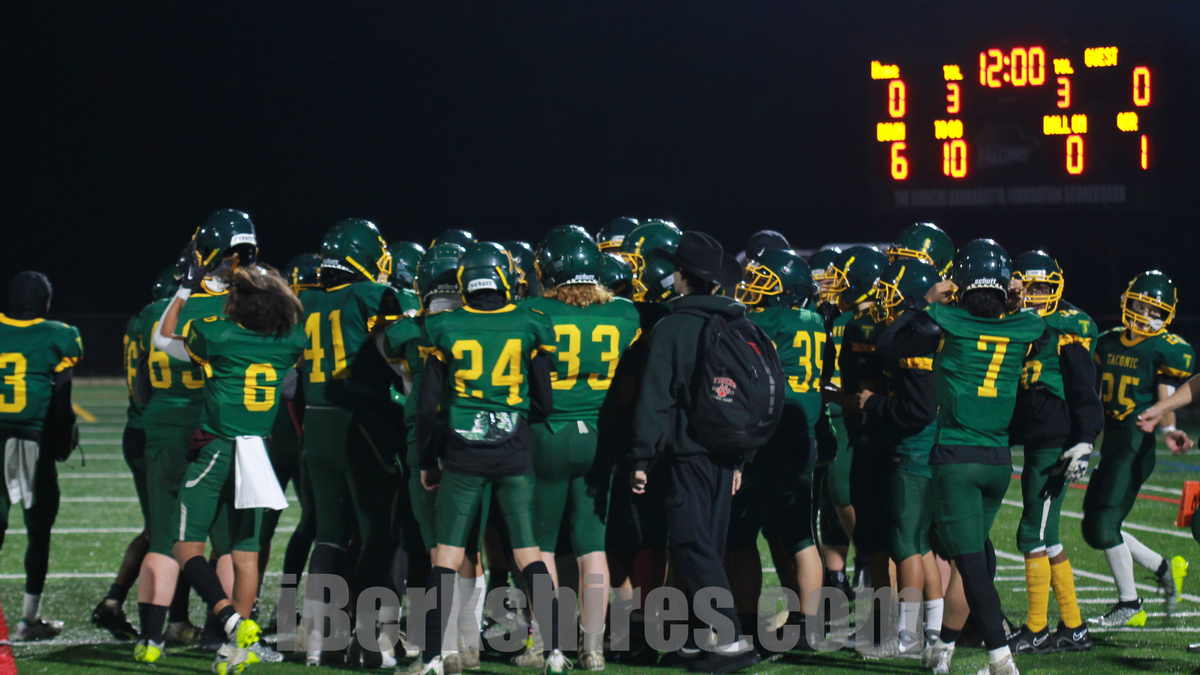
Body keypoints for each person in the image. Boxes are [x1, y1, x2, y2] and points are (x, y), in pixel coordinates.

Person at [411, 246, 569, 675]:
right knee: (527, 551)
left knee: (446, 555)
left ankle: (433, 656)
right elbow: (545, 400)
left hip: (463, 449)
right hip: (512, 446)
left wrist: (427, 459)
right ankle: (555, 651)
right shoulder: (531, 321)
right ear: (504, 278)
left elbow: (428, 407)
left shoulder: (444, 325)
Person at [153, 257, 306, 674]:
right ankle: (238, 648)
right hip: (259, 453)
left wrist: (183, 292)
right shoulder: (290, 340)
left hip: (218, 448)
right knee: (246, 554)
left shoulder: (216, 334)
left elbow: (163, 338)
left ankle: (229, 618)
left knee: (186, 545)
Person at [629, 230, 762, 674]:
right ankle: (692, 639)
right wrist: (741, 458)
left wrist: (642, 456)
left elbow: (655, 398)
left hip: (688, 452)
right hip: (727, 452)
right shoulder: (737, 321)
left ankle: (729, 639)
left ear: (681, 275)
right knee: (706, 545)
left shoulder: (672, 326)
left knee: (690, 542)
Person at [133, 209, 257, 663]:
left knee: (164, 537)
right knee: (226, 541)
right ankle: (222, 634)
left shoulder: (156, 312)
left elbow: (142, 382)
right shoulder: (243, 309)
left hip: (165, 427)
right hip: (217, 428)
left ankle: (150, 641)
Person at [923, 239, 1044, 675]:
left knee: (971, 564)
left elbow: (900, 334)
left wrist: (927, 298)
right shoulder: (1026, 325)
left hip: (957, 456)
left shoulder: (947, 319)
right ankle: (944, 648)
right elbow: (1034, 320)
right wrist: (1015, 300)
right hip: (997, 459)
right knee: (968, 561)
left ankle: (1000, 658)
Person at [525, 236, 642, 670]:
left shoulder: (533, 311)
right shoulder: (624, 313)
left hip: (548, 434)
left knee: (542, 546)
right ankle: (593, 647)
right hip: (599, 436)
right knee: (592, 546)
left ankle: (546, 643)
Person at [297, 218, 405, 666]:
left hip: (315, 421)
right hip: (361, 423)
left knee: (328, 535)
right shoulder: (372, 295)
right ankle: (369, 638)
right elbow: (399, 351)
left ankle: (318, 639)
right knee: (377, 532)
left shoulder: (306, 299)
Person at [730, 249, 827, 653]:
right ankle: (808, 626)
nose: (753, 286)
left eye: (763, 280)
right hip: (802, 436)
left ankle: (746, 623)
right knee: (800, 535)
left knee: (740, 535)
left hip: (765, 437)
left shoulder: (763, 321)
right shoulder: (815, 320)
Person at [1084, 270, 1194, 626]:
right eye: (1140, 306)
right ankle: (1162, 568)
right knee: (1093, 528)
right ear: (1127, 302)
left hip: (1134, 447)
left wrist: (1169, 428)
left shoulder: (1167, 348)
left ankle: (1129, 604)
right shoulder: (1107, 342)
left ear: (1167, 315)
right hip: (1112, 443)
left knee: (1104, 527)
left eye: (1154, 311)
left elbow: (1165, 391)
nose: (1145, 315)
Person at [1007, 250, 1101, 653]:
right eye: (1028, 285)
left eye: (1041, 286)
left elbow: (1083, 386)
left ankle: (1036, 629)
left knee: (1032, 533)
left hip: (1055, 444)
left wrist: (1084, 440)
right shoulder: (1019, 321)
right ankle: (1074, 626)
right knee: (1049, 536)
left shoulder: (1068, 325)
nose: (1034, 293)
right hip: (1040, 440)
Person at [860, 258, 944, 658]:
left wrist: (874, 404)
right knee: (920, 544)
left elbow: (918, 410)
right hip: (927, 448)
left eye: (893, 295)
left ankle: (907, 636)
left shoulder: (919, 335)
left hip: (916, 449)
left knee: (905, 542)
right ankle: (933, 632)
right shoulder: (926, 329)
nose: (885, 302)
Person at [92, 266, 176, 641]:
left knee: (160, 529)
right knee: (171, 533)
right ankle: (169, 622)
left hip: (138, 429)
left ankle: (114, 601)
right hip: (158, 434)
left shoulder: (139, 320)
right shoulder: (161, 321)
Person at [0, 270, 81, 641]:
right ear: (45, 303)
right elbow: (62, 397)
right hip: (33, 440)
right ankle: (28, 619)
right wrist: (64, 436)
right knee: (38, 532)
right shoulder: (59, 335)